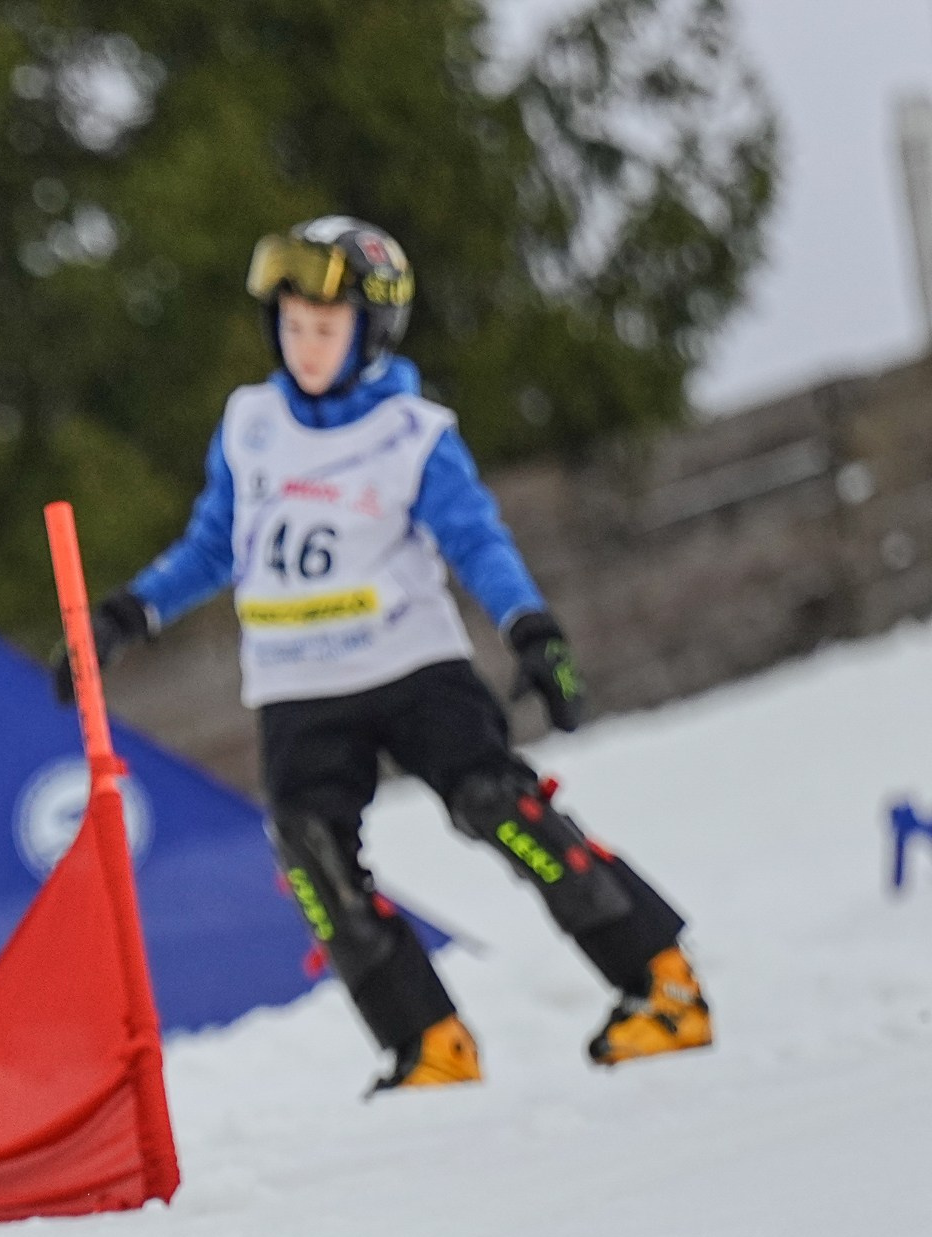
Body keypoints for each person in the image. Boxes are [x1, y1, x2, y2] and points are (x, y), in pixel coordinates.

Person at [85, 216, 712, 1092]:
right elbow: (214, 545)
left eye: (326, 329)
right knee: (313, 861)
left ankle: (662, 983)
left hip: (413, 669)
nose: (305, 347)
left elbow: (477, 542)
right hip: (296, 687)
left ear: (371, 335)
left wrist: (531, 628)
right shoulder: (251, 425)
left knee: (501, 808)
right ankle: (429, 1042)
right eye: (292, 326)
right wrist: (131, 611)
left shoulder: (413, 434)